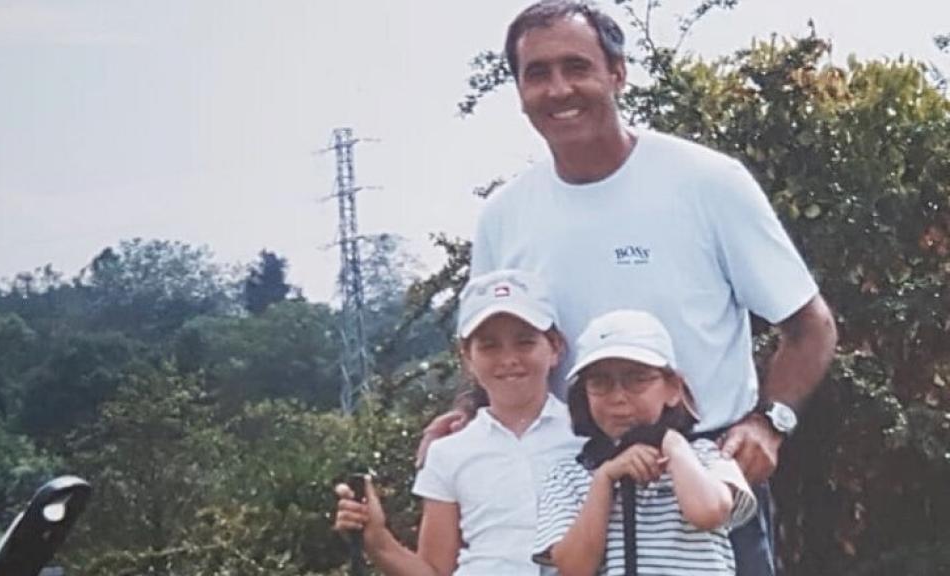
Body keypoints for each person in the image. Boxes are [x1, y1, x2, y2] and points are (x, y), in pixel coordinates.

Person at [419, 1, 839, 574]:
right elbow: (501, 345)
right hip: (572, 489)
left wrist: (770, 423)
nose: (559, 88)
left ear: (617, 73)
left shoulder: (706, 182)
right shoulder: (504, 216)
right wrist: (467, 416)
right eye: (536, 73)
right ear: (518, 90)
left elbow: (810, 325)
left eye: (577, 66)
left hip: (703, 482)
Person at [334, 269, 584, 575]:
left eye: (525, 342)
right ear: (466, 357)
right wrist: (377, 538)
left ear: (555, 348)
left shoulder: (590, 437)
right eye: (489, 346)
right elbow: (434, 570)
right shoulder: (448, 453)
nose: (508, 359)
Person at [534, 309, 757, 576]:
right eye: (600, 382)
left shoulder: (708, 455)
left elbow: (709, 512)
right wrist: (604, 479)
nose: (618, 397)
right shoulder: (567, 476)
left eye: (637, 379)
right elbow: (573, 567)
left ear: (673, 388)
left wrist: (673, 445)